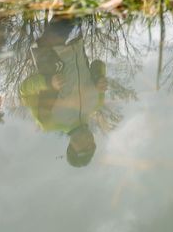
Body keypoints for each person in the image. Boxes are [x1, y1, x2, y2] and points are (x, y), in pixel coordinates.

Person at [19, 17, 108, 167]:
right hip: (76, 40)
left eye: (82, 149)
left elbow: (25, 91)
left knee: (71, 9)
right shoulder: (96, 103)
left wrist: (49, 83)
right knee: (73, 7)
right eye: (91, 146)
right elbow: (97, 64)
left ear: (71, 148)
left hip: (51, 48)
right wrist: (99, 78)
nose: (87, 143)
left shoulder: (48, 122)